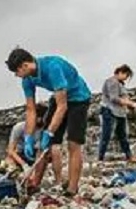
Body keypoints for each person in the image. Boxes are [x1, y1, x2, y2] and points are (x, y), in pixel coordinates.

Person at [5, 48, 92, 197]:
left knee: (73, 143)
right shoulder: (27, 80)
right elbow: (31, 110)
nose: (16, 75)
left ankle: (72, 188)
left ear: (25, 66)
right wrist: (28, 137)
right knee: (44, 147)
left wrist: (49, 132)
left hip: (78, 98)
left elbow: (63, 106)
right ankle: (35, 184)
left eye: (16, 71)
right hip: (58, 99)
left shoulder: (53, 67)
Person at [99, 64, 136, 162]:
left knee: (123, 135)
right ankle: (100, 158)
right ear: (120, 72)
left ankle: (129, 156)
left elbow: (123, 98)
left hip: (120, 113)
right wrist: (132, 104)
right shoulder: (112, 82)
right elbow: (114, 98)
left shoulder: (120, 84)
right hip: (110, 111)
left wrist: (130, 105)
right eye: (126, 75)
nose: (126, 78)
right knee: (106, 135)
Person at [5, 101, 48, 170]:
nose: (39, 120)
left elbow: (41, 151)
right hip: (20, 155)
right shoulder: (19, 128)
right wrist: (24, 165)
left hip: (36, 156)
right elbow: (11, 150)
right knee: (9, 159)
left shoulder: (44, 130)